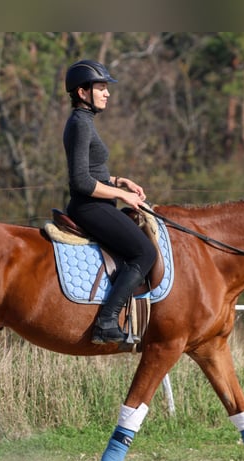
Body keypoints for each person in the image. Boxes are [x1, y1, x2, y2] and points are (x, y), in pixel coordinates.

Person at [63, 59, 157, 345]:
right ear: (82, 92)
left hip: (98, 203)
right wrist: (121, 195)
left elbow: (93, 171)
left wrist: (119, 181)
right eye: (101, 88)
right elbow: (80, 181)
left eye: (106, 88)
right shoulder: (80, 124)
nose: (107, 93)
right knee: (145, 253)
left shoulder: (86, 122)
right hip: (89, 207)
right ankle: (106, 321)